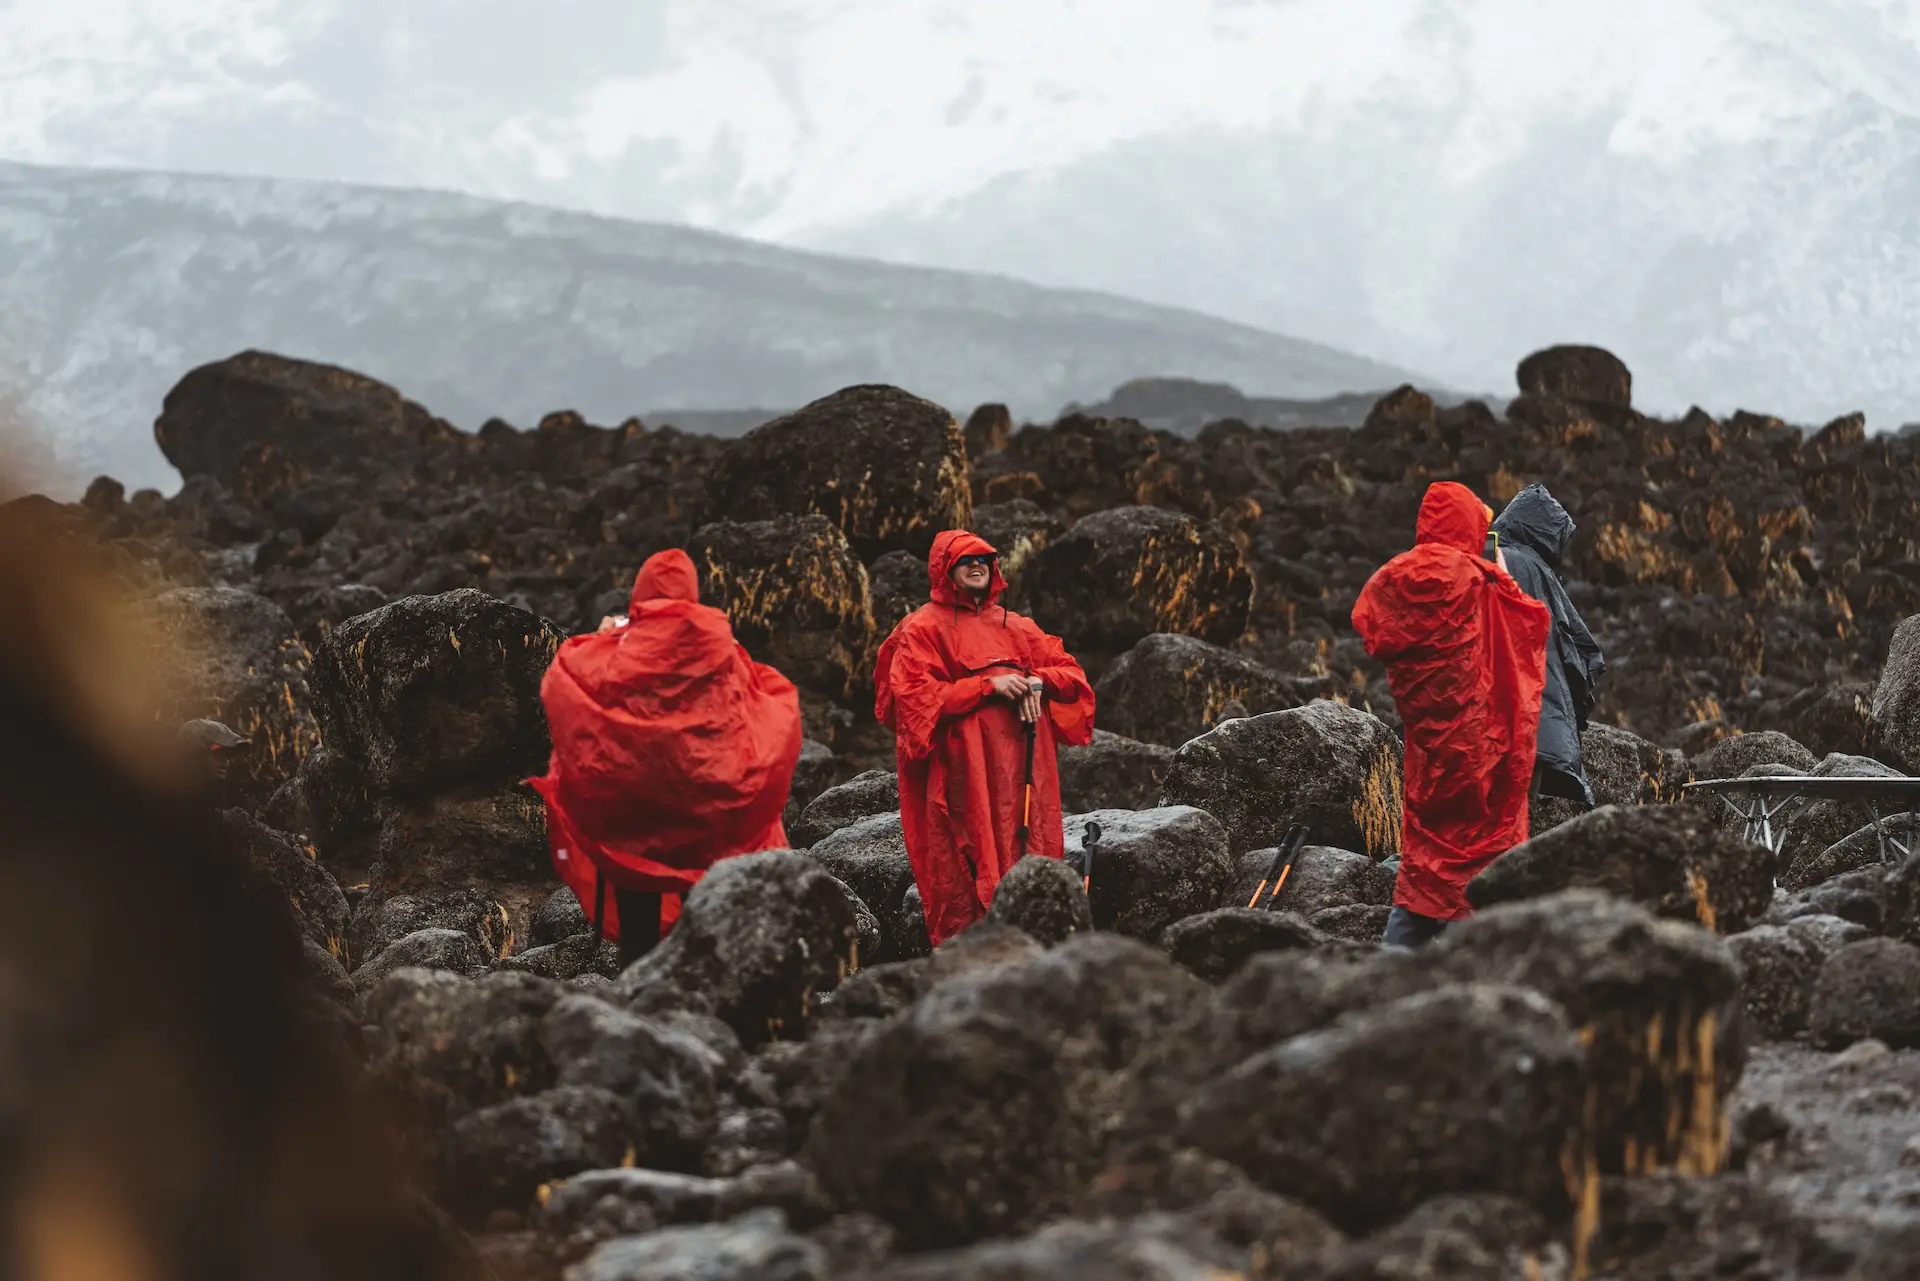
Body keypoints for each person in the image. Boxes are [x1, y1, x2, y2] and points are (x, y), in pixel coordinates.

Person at [530, 549, 802, 967]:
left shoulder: (624, 643)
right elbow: (759, 698)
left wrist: (603, 639)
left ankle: (637, 988)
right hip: (704, 812)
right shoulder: (719, 643)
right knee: (704, 909)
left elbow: (565, 677)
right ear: (692, 594)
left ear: (641, 593)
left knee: (636, 911)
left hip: (634, 816)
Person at [1353, 482, 1550, 948]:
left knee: (1426, 865)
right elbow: (1531, 629)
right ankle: (1475, 974)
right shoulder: (1481, 582)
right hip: (1484, 749)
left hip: (1430, 752)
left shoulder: (1393, 577)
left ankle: (1393, 967)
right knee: (1485, 861)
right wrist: (1500, 578)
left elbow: (1371, 625)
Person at [875, 530, 1095, 945]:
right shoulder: (921, 628)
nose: (978, 565)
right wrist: (988, 686)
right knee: (962, 861)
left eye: (985, 558)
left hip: (1026, 771)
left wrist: (1034, 681)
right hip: (963, 776)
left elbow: (1074, 679)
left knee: (1030, 851)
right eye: (965, 560)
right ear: (944, 568)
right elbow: (913, 701)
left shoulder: (1018, 626)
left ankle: (1040, 949)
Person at [1486, 484, 1607, 808]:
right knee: (1515, 803)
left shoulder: (1497, 556)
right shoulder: (1526, 565)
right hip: (1527, 702)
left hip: (1498, 701)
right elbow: (1569, 642)